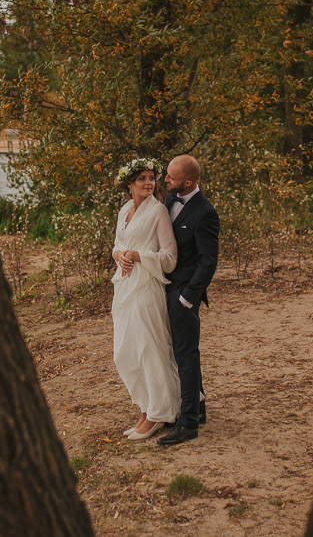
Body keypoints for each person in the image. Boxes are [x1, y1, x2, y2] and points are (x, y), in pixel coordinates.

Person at [110, 158, 181, 441]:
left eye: (152, 178)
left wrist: (139, 256)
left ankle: (159, 413)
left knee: (150, 350)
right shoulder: (125, 210)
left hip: (147, 288)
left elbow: (170, 259)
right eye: (142, 179)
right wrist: (119, 256)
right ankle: (146, 406)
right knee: (125, 352)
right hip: (124, 287)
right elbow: (118, 244)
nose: (149, 183)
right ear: (129, 184)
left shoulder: (158, 212)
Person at [158, 154, 219, 446]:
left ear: (189, 182)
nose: (165, 180)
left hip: (183, 294)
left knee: (186, 354)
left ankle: (189, 423)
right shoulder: (171, 200)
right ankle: (200, 408)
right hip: (167, 287)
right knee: (181, 353)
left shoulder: (205, 213)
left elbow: (208, 262)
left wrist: (187, 298)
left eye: (171, 177)